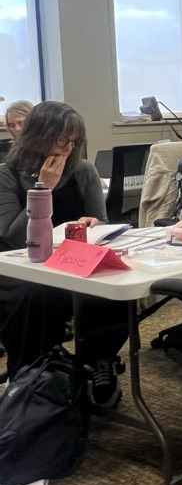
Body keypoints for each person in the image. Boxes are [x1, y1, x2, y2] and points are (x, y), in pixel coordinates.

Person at [0, 102, 128, 404]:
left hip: (71, 262)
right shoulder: (6, 174)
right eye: (63, 140)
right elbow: (15, 238)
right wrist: (44, 188)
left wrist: (92, 224)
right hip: (20, 267)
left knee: (115, 284)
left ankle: (100, 358)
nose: (70, 148)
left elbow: (103, 225)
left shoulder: (82, 170)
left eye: (76, 141)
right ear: (39, 136)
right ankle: (32, 373)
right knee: (37, 293)